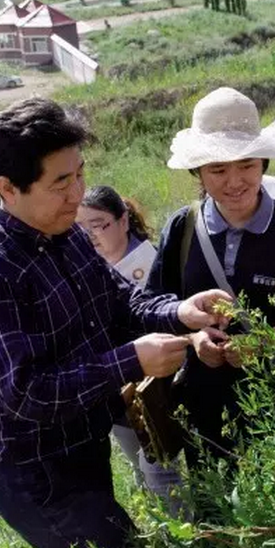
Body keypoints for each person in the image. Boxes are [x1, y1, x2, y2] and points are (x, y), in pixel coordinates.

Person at [0, 98, 230, 548]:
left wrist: (180, 313)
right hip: (36, 474)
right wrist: (132, 359)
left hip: (83, 446)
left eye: (80, 174)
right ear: (9, 188)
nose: (78, 194)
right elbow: (27, 394)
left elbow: (119, 305)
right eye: (60, 183)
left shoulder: (67, 236)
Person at [144, 87, 275, 471]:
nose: (234, 182)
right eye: (218, 169)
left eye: (246, 166)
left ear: (263, 164)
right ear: (198, 173)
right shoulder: (182, 228)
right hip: (201, 408)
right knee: (215, 509)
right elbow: (151, 304)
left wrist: (264, 342)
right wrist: (193, 336)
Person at [77, 185, 182, 508]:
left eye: (98, 225)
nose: (90, 235)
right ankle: (158, 520)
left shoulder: (152, 263)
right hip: (114, 388)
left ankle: (186, 537)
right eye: (80, 228)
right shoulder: (85, 268)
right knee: (136, 462)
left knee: (161, 468)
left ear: (123, 221)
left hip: (158, 386)